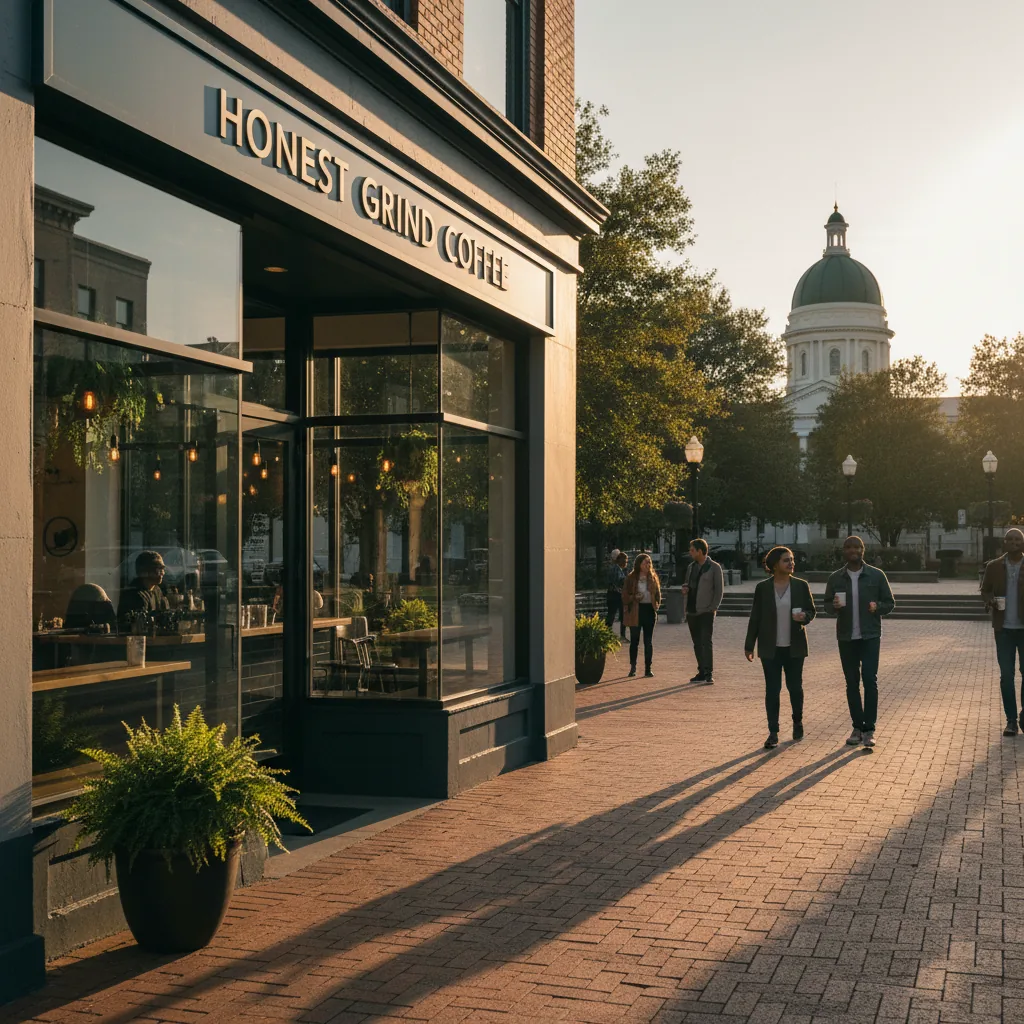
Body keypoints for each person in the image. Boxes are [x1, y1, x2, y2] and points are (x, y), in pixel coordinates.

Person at [823, 536, 895, 749]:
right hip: (846, 637)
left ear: (863, 550)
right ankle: (857, 727)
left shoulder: (876, 575)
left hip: (870, 635)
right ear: (843, 551)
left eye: (857, 547)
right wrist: (834, 606)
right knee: (852, 682)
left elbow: (890, 603)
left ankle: (869, 729)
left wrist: (877, 607)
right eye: (848, 547)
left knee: (870, 680)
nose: (853, 550)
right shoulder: (835, 578)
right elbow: (826, 606)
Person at [744, 547, 816, 748]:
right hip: (770, 648)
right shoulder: (763, 588)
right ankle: (773, 732)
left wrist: (805, 618)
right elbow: (755, 617)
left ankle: (797, 721)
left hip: (795, 647)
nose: (791, 563)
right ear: (775, 564)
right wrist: (749, 645)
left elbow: (811, 611)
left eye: (792, 559)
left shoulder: (801, 586)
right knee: (772, 690)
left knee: (795, 688)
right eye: (786, 560)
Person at [980, 527, 1024, 737]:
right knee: (1007, 675)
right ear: (1004, 542)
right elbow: (985, 588)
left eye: (1018, 539)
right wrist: (989, 600)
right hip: (1003, 630)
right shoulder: (994, 566)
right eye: (1010, 539)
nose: (1014, 542)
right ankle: (1011, 721)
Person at [683, 539, 724, 683]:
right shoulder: (691, 567)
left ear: (700, 551)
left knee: (706, 641)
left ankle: (708, 673)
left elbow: (719, 590)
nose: (690, 552)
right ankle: (701, 671)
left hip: (706, 611)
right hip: (692, 610)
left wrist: (713, 607)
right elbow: (688, 584)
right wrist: (685, 590)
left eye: (692, 550)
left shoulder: (714, 567)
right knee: (697, 643)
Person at [622, 553, 661, 678]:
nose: (648, 565)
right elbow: (624, 596)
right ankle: (633, 667)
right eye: (645, 562)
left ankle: (648, 668)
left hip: (649, 610)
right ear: (639, 564)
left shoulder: (653, 577)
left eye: (649, 562)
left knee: (648, 641)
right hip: (636, 611)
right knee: (635, 640)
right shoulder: (631, 578)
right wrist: (634, 597)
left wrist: (656, 605)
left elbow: (658, 594)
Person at [117, 550, 170, 625]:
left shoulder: (157, 590)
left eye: (163, 569)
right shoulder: (133, 594)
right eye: (159, 569)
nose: (163, 573)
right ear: (145, 571)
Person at [605, 550, 629, 638]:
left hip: (616, 595)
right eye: (625, 561)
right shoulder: (616, 569)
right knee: (612, 615)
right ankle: (607, 635)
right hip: (615, 596)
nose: (626, 563)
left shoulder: (618, 569)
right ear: (620, 560)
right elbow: (617, 582)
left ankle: (616, 635)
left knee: (621, 616)